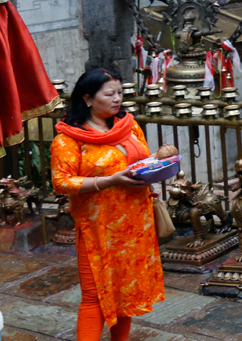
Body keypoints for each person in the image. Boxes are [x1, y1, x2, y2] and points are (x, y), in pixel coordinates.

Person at [51, 68, 165, 341]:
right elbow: (62, 183)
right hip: (97, 228)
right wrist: (110, 180)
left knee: (126, 291)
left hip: (135, 223)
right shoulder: (68, 139)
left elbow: (140, 163)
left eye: (120, 93)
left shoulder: (128, 125)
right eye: (110, 94)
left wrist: (160, 160)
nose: (117, 99)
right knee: (93, 297)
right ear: (88, 99)